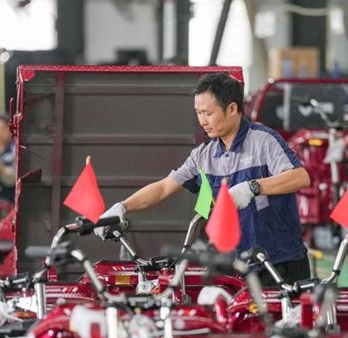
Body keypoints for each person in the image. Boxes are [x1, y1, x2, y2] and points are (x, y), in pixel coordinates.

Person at [96, 72, 312, 285]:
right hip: (234, 268)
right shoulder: (204, 156)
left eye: (208, 113)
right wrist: (122, 207)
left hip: (280, 265)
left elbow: (300, 177)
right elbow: (163, 188)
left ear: (232, 109)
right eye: (198, 113)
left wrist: (252, 187)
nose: (202, 121)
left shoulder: (263, 141)